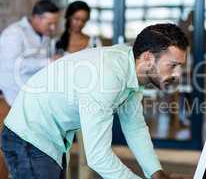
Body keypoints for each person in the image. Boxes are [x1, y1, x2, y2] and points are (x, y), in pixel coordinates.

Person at [1, 23, 191, 179]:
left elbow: (135, 127)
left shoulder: (132, 70)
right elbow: (98, 157)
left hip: (50, 137)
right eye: (172, 65)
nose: (177, 74)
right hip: (29, 135)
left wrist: (156, 174)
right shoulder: (107, 77)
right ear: (148, 58)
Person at [0, 0, 60, 179]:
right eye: (50, 23)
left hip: (32, 102)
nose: (53, 28)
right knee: (11, 153)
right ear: (36, 18)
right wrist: (48, 62)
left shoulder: (46, 36)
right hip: (10, 101)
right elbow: (14, 65)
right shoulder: (14, 33)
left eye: (55, 23)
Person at [56, 0, 102, 179]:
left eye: (83, 20)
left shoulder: (94, 42)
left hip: (87, 103)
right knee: (62, 154)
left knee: (87, 152)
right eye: (76, 18)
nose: (79, 23)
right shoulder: (57, 43)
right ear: (68, 17)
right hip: (62, 104)